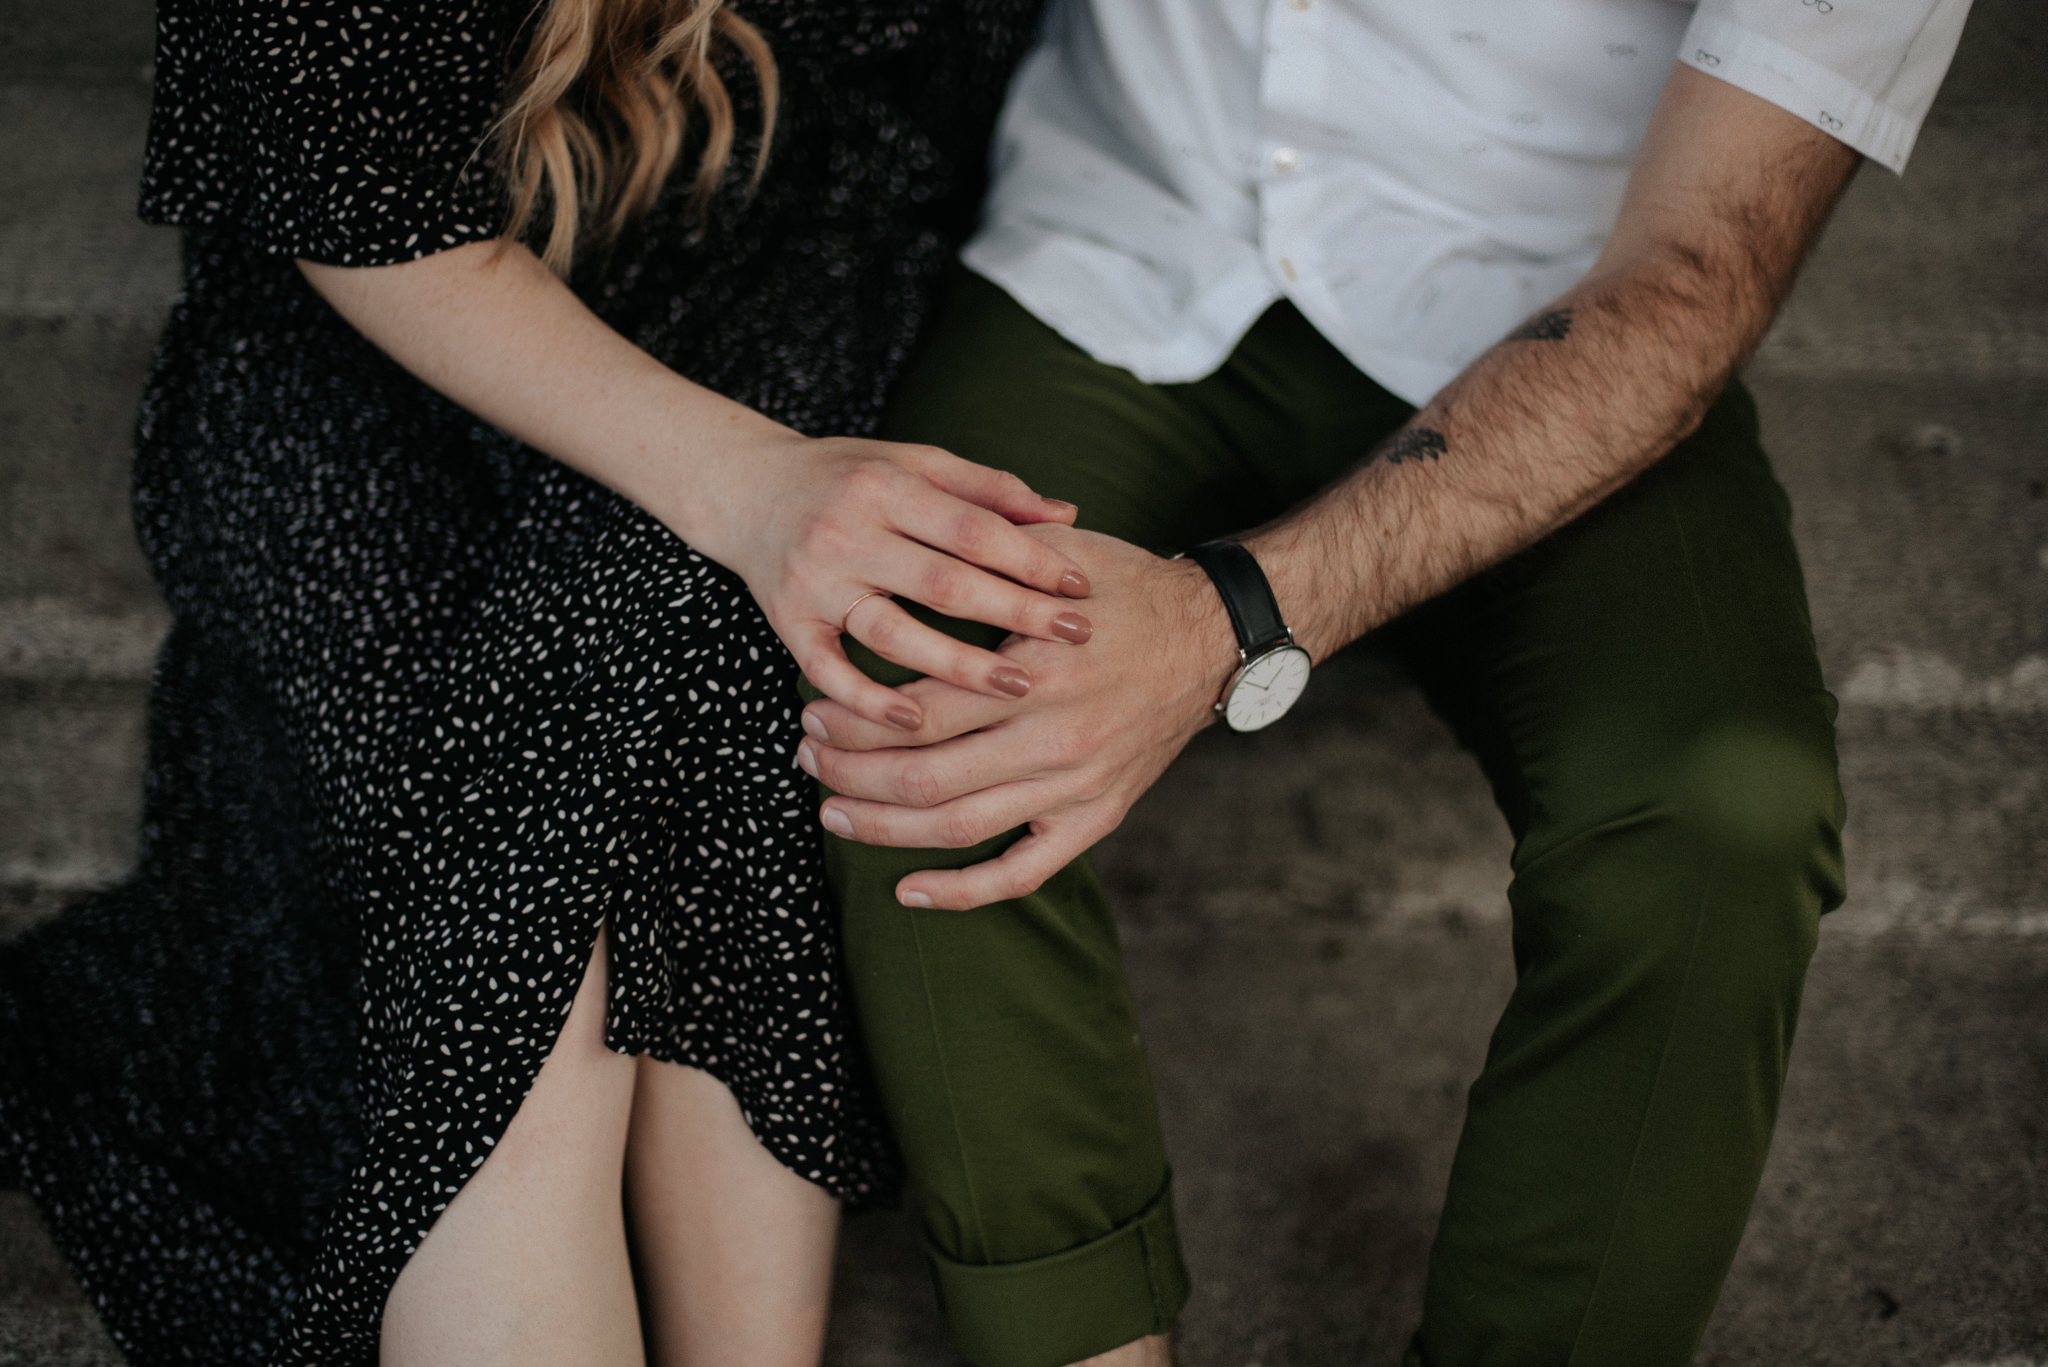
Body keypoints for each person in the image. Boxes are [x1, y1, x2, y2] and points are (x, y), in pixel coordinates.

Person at [796, 2, 1974, 1365]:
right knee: (911, 693)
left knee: (1722, 809)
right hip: (1120, 225)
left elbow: (1696, 270)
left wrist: (1223, 621)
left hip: (1558, 307)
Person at [0, 1, 1077, 1364]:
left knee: (725, 663)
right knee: (517, 1003)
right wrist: (738, 484)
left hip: (770, 253)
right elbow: (348, 179)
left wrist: (765, 486)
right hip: (378, 335)